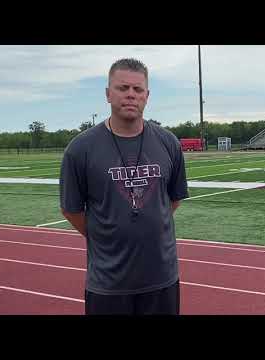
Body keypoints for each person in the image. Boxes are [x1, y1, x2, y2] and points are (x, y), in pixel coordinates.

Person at [59, 58, 189, 315]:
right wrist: (106, 234)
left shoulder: (168, 143)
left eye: (138, 89)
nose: (131, 95)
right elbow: (71, 210)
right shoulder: (80, 149)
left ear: (147, 96)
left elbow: (172, 200)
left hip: (161, 278)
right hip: (108, 282)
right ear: (108, 94)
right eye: (122, 88)